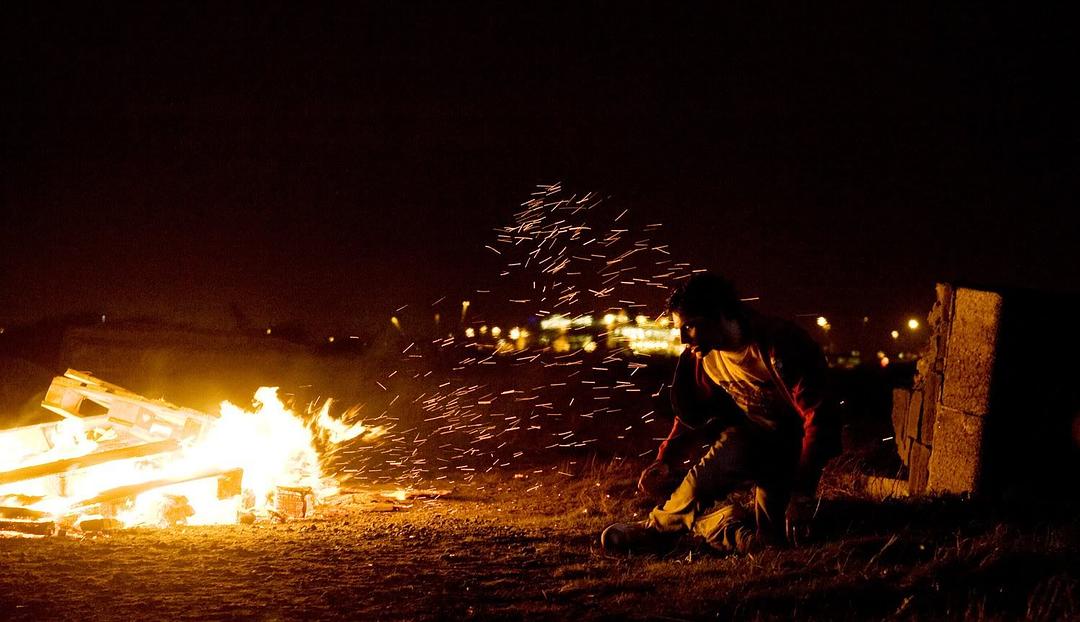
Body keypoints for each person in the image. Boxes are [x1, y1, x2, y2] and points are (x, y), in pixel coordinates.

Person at [601, 273, 841, 554]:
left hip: (790, 447)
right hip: (750, 437)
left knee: (773, 543)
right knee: (701, 484)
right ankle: (652, 531)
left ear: (719, 315)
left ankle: (724, 524)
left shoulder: (780, 344)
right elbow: (691, 414)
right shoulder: (702, 355)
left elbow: (820, 418)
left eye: (690, 326)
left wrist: (802, 492)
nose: (682, 338)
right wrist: (665, 459)